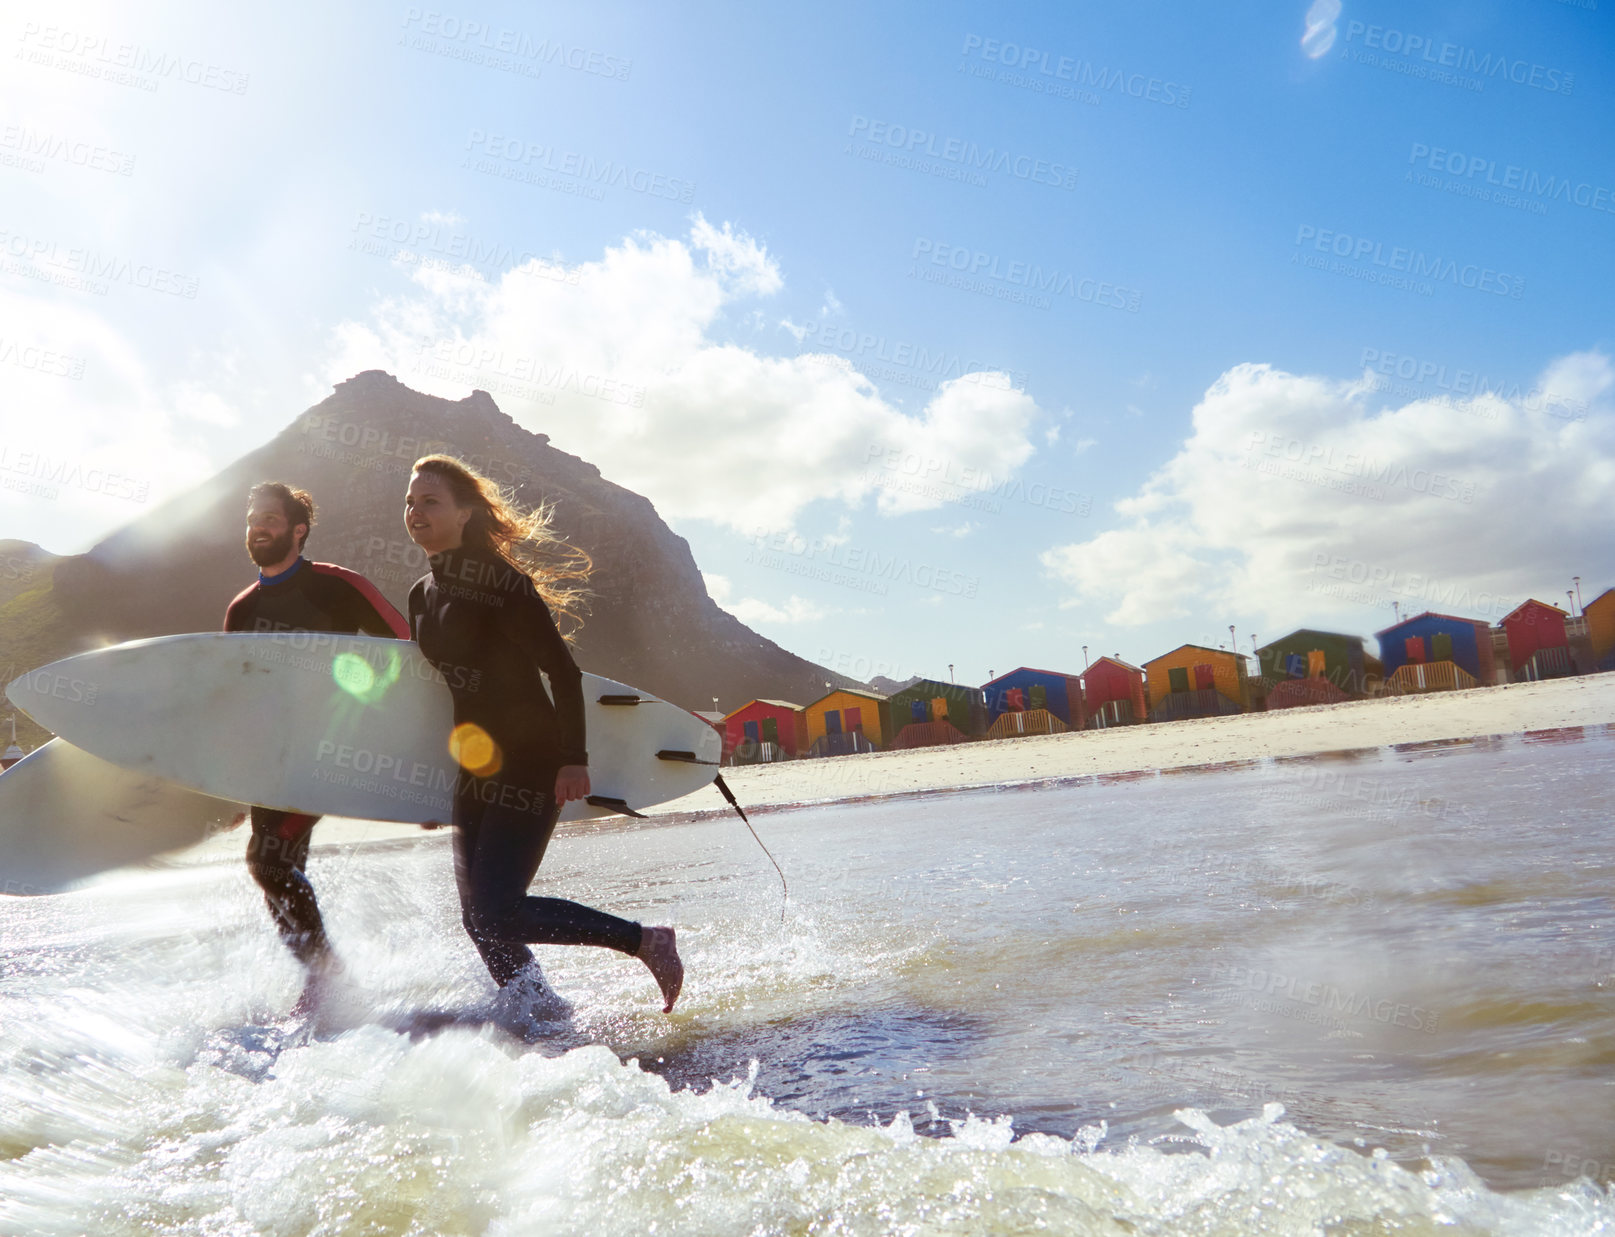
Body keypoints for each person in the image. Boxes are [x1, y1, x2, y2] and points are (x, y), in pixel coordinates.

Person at [402, 454, 682, 1015]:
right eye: (409, 502)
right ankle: (542, 1009)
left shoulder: (502, 581)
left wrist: (572, 758)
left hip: (529, 760)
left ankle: (647, 940)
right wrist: (431, 785)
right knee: (479, 919)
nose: (415, 512)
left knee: (496, 912)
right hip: (474, 768)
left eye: (430, 501)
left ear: (465, 513)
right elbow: (440, 696)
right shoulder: (421, 593)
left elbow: (562, 671)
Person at [224, 481, 410, 1009]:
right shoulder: (241, 610)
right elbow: (241, 699)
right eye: (253, 518)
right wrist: (232, 780)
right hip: (272, 762)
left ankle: (328, 973)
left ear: (298, 530)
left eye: (271, 519)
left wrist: (377, 719)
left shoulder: (338, 586)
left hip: (330, 751)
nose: (258, 527)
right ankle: (321, 985)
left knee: (269, 861)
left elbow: (406, 645)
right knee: (271, 867)